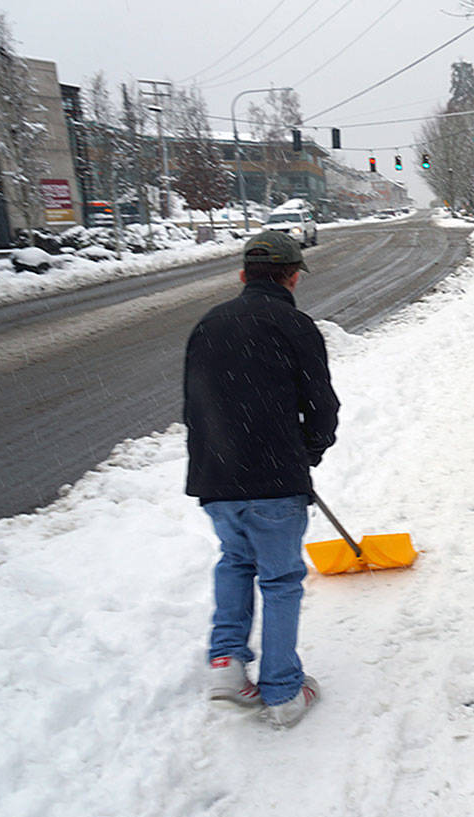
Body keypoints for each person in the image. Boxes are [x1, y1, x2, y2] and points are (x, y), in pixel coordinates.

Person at [183, 230, 339, 728]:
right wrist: (306, 455)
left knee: (234, 562)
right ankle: (282, 691)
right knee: (279, 580)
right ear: (292, 276)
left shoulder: (207, 324)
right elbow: (322, 407)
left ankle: (226, 665)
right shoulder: (294, 325)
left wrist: (217, 461)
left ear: (243, 274)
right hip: (274, 481)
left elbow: (194, 408)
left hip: (217, 478)